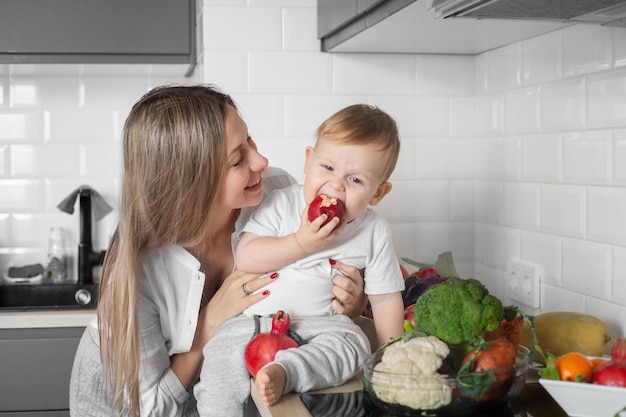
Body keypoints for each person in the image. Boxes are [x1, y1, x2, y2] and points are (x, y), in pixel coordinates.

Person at [68, 85, 368, 417]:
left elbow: (310, 286)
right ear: (188, 184)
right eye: (238, 159)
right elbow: (151, 409)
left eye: (250, 141)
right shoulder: (137, 270)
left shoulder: (278, 193)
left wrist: (347, 304)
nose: (261, 161)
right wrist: (211, 322)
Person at [195, 104, 405, 414]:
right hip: (253, 319)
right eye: (328, 168)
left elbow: (386, 300)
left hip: (325, 325)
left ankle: (286, 372)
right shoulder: (279, 202)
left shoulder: (374, 230)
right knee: (219, 363)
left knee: (354, 346)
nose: (336, 186)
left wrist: (391, 359)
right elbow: (248, 256)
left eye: (356, 180)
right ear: (308, 161)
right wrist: (300, 242)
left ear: (378, 193)